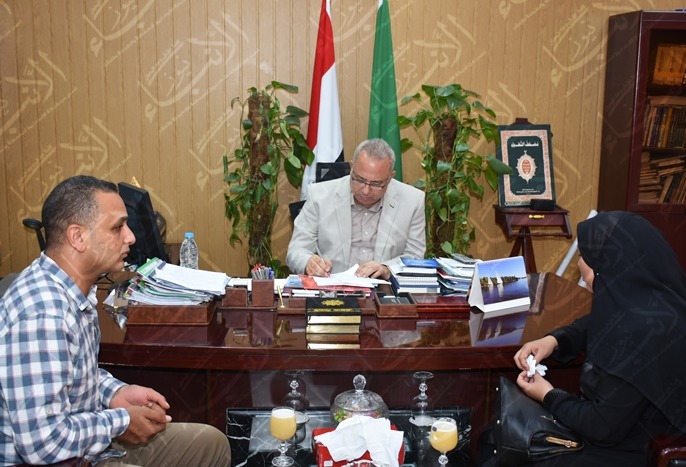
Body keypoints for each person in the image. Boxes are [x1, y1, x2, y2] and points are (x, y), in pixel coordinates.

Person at [0, 176, 231, 466]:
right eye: (117, 227)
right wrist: (121, 422)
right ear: (77, 237)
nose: (130, 237)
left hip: (87, 444)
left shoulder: (74, 290)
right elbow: (42, 442)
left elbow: (71, 376)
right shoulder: (42, 315)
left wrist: (116, 393)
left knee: (211, 444)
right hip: (59, 459)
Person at [479, 211, 686, 466]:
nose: (587, 288)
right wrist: (553, 341)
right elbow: (598, 321)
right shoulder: (660, 301)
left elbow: (600, 427)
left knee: (508, 452)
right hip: (626, 431)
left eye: (588, 279)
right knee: (499, 438)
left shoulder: (638, 338)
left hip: (639, 451)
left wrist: (547, 394)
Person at [286, 138, 426, 279]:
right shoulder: (319, 196)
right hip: (332, 286)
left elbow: (415, 257)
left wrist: (387, 269)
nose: (365, 191)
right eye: (359, 180)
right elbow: (297, 250)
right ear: (352, 167)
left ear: (390, 177)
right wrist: (309, 262)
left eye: (376, 184)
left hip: (384, 288)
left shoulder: (413, 201)